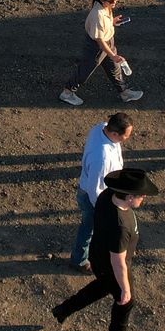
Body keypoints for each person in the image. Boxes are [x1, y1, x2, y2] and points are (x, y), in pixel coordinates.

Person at [52, 168, 158, 331]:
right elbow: (118, 262)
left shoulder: (106, 196)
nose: (144, 198)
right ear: (130, 197)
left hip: (98, 256)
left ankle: (64, 309)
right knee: (126, 301)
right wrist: (125, 289)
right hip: (112, 265)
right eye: (141, 195)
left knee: (102, 286)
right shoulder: (121, 227)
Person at [69, 113, 133, 274]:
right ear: (114, 134)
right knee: (88, 227)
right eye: (126, 135)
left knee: (91, 226)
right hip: (93, 197)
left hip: (96, 190)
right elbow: (95, 189)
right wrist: (104, 209)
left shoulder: (100, 128)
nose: (128, 138)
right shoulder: (102, 158)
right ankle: (79, 260)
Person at [59, 0, 143, 106]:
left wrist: (112, 21)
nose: (114, 2)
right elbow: (99, 40)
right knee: (86, 69)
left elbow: (103, 27)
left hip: (108, 41)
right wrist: (113, 55)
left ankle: (124, 93)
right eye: (111, 0)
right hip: (97, 46)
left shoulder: (104, 5)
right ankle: (67, 93)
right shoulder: (97, 15)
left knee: (114, 68)